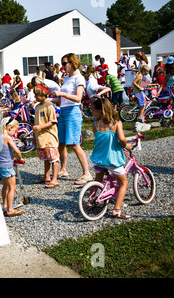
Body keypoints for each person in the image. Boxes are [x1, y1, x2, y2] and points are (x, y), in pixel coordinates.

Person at [51, 53, 92, 185]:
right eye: (62, 63)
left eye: (64, 63)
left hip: (73, 113)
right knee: (61, 143)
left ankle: (87, 173)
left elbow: (78, 98)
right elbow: (62, 99)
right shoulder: (67, 78)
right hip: (63, 111)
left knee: (74, 144)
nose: (62, 66)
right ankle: (63, 169)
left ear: (72, 63)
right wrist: (48, 99)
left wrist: (62, 93)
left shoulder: (79, 78)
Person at [90, 98, 132, 219]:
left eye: (93, 111)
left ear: (101, 111)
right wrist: (127, 145)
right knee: (124, 183)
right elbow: (122, 140)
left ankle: (89, 201)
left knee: (97, 180)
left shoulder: (95, 125)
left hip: (98, 159)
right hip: (112, 160)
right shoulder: (116, 123)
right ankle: (117, 210)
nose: (92, 113)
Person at [0, 117, 24, 217]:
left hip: (0, 164)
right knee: (12, 187)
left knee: (5, 186)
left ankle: (5, 205)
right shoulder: (7, 137)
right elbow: (17, 150)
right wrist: (19, 158)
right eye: (15, 130)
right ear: (10, 127)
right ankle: (10, 210)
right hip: (7, 166)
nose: (15, 133)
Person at [33, 83, 59, 188]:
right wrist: (34, 136)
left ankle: (55, 179)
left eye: (37, 95)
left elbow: (53, 121)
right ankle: (47, 176)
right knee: (45, 157)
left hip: (49, 136)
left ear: (44, 94)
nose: (35, 97)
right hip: (41, 137)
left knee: (53, 158)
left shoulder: (49, 106)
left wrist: (41, 127)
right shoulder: (37, 107)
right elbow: (35, 122)